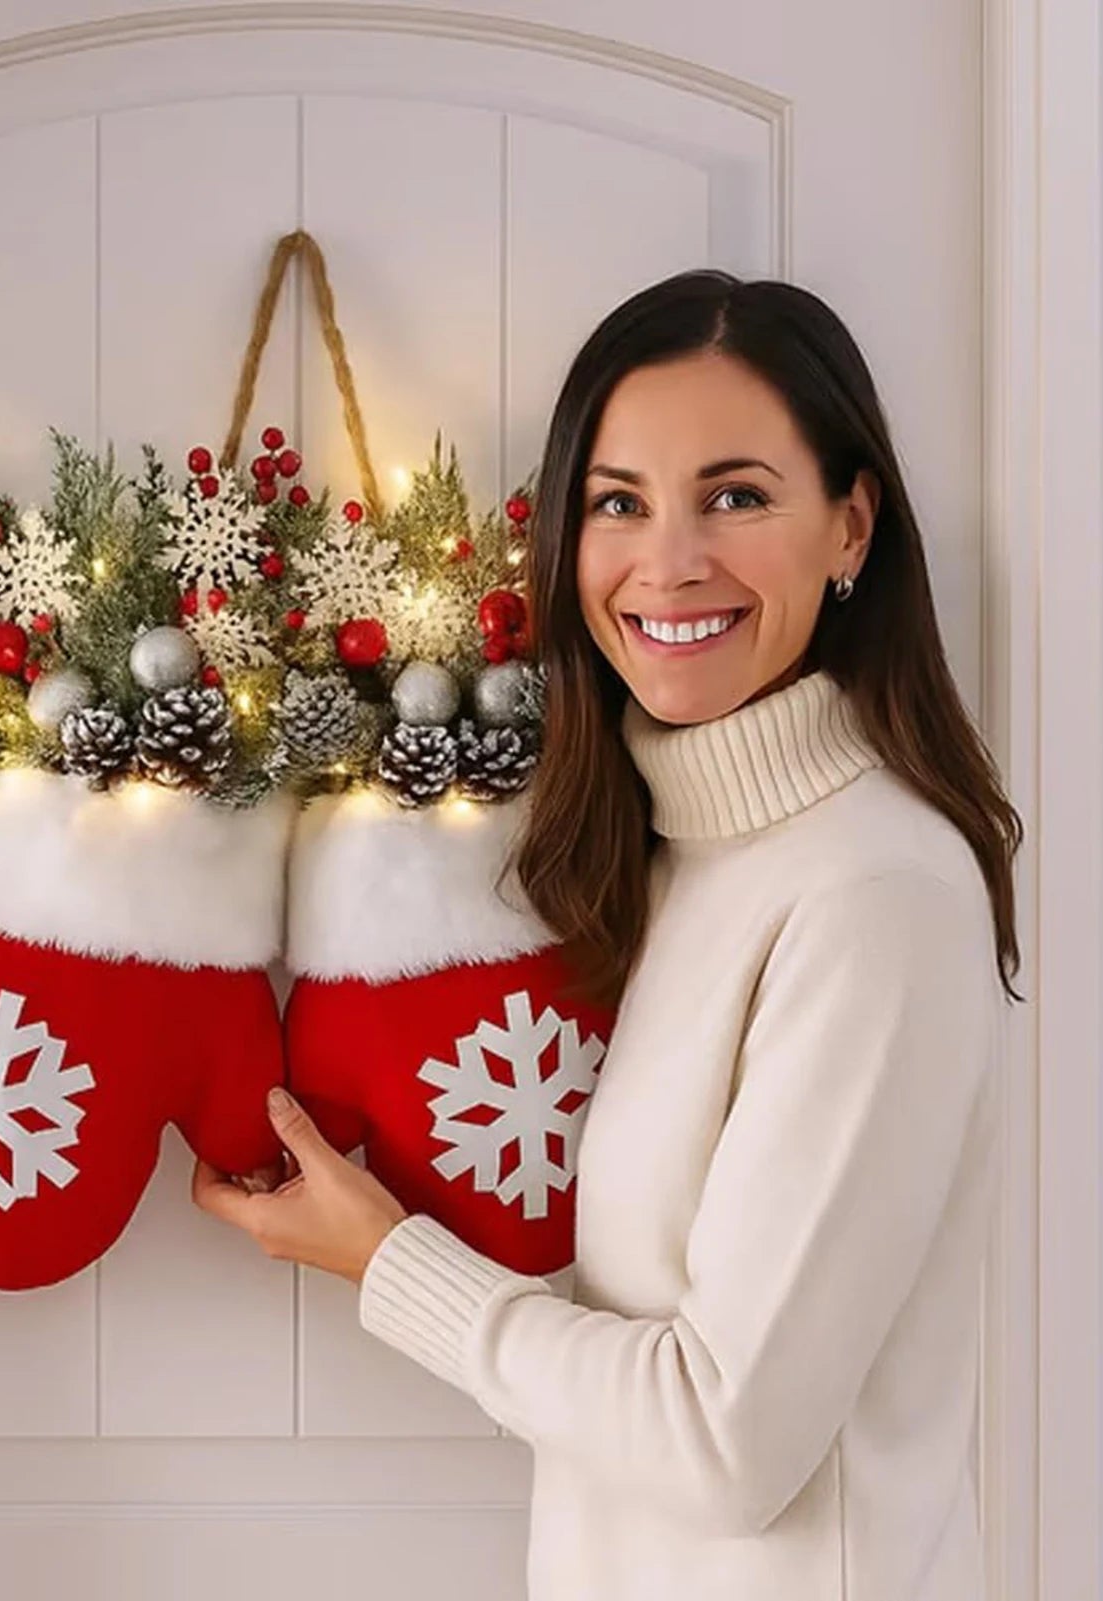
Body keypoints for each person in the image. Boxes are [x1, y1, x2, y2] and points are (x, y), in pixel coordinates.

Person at [193, 270, 1021, 1601]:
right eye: (617, 503)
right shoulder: (675, 859)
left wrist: (389, 1262)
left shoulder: (877, 896)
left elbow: (717, 1440)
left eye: (736, 496)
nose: (669, 559)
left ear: (849, 524)